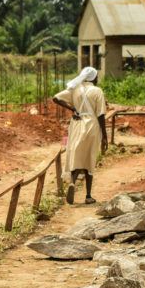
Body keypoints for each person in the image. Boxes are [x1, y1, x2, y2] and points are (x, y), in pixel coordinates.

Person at [53, 66, 108, 205]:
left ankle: (72, 182)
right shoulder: (97, 91)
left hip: (77, 124)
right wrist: (105, 136)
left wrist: (73, 109)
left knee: (76, 154)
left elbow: (56, 98)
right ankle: (88, 195)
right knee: (89, 157)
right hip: (91, 125)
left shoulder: (75, 89)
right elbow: (101, 115)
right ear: (93, 77)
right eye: (96, 76)